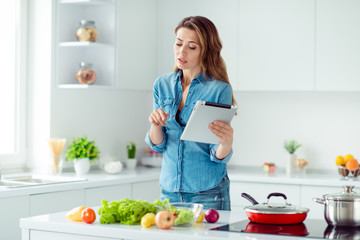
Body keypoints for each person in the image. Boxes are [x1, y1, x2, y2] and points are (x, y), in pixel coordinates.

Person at [145, 16, 236, 210]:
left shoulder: (219, 89)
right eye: (178, 44)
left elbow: (216, 153)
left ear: (206, 51)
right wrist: (155, 124)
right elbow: (159, 145)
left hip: (207, 192)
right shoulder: (161, 84)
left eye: (192, 47)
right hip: (169, 190)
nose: (181, 52)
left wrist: (226, 143)